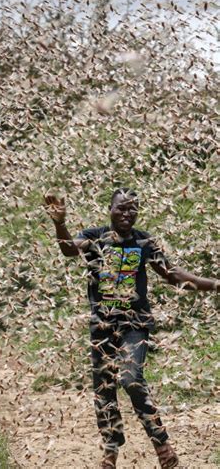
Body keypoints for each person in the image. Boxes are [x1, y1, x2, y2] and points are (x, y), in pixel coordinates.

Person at [44, 188, 218, 469]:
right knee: (104, 389)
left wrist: (215, 284)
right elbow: (68, 249)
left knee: (130, 378)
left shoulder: (144, 241)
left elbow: (172, 275)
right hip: (102, 326)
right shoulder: (93, 237)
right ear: (109, 209)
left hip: (135, 325)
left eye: (132, 209)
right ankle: (110, 454)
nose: (127, 213)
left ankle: (163, 448)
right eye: (121, 208)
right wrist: (59, 223)